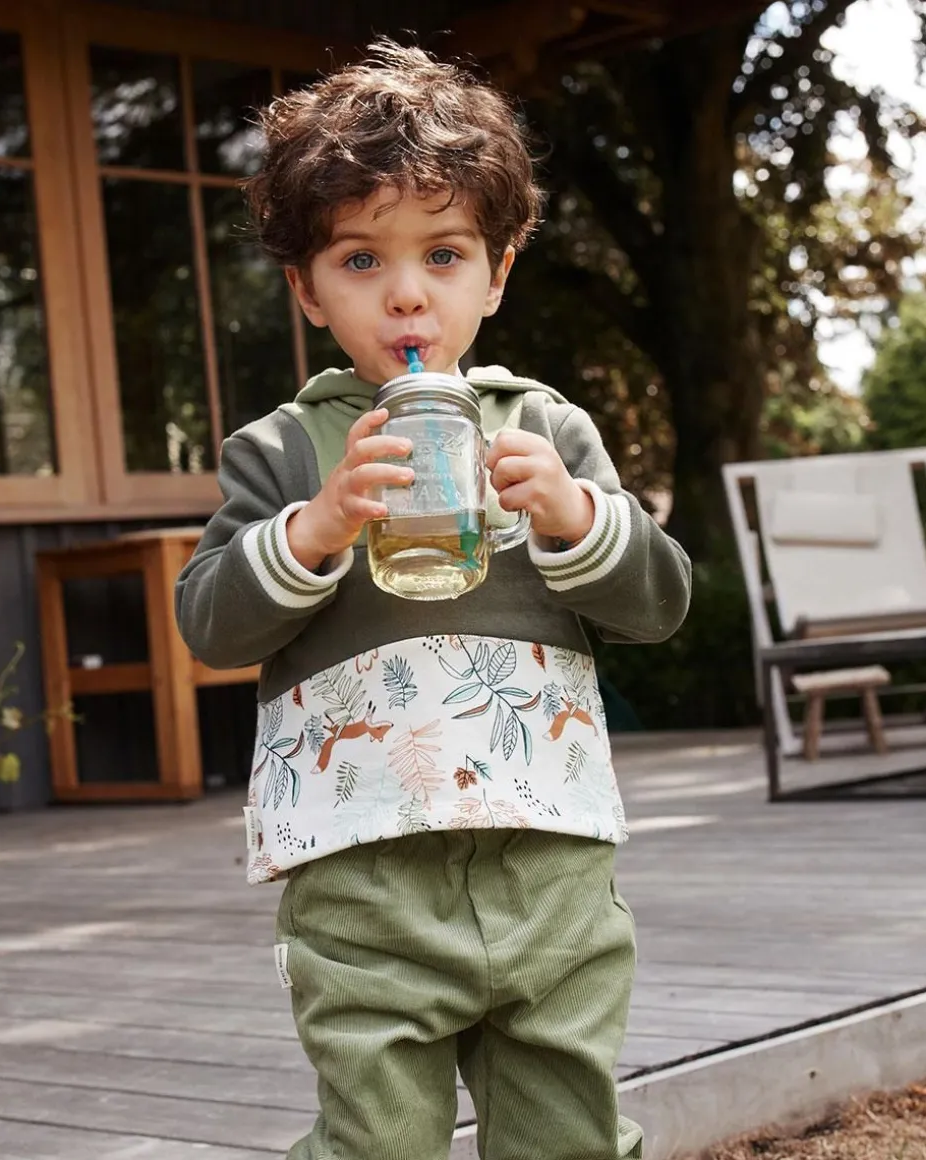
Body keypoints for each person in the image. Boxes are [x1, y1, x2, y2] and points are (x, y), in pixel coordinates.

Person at [175, 39, 692, 1160]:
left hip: (545, 863)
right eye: (359, 260)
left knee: (569, 1134)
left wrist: (573, 515)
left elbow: (659, 602)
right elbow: (208, 623)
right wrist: (314, 528)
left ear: (496, 273)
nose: (406, 290)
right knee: (378, 1140)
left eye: (443, 253)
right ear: (305, 289)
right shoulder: (280, 451)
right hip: (363, 881)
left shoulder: (546, 431)